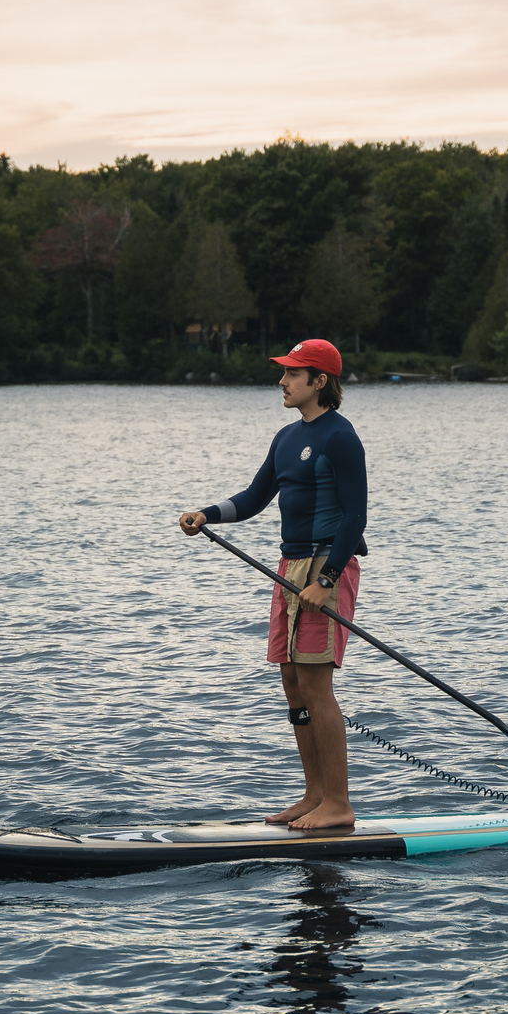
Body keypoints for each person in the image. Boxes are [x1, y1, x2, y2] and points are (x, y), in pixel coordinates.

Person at [179, 339, 368, 830]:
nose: (282, 382)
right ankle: (314, 794)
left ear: (319, 381)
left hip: (328, 564)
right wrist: (208, 513)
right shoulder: (286, 437)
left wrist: (326, 581)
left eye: (292, 374)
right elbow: (256, 496)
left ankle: (339, 803)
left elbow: (355, 517)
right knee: (291, 681)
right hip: (288, 568)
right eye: (283, 373)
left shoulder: (340, 438)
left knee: (315, 682)